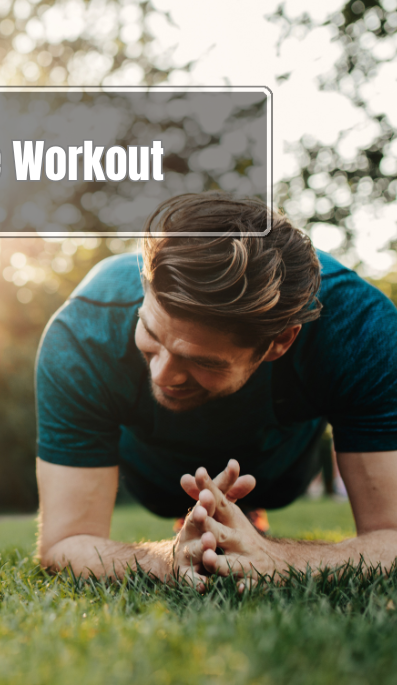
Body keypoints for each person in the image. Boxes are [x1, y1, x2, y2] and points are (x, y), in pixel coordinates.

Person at [35, 193, 397, 589]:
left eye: (203, 361)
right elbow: (64, 542)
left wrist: (279, 558)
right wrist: (167, 560)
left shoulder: (364, 331)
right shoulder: (82, 333)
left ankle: (248, 513)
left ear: (281, 341)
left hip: (280, 470)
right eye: (151, 334)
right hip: (155, 478)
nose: (162, 374)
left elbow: (391, 535)